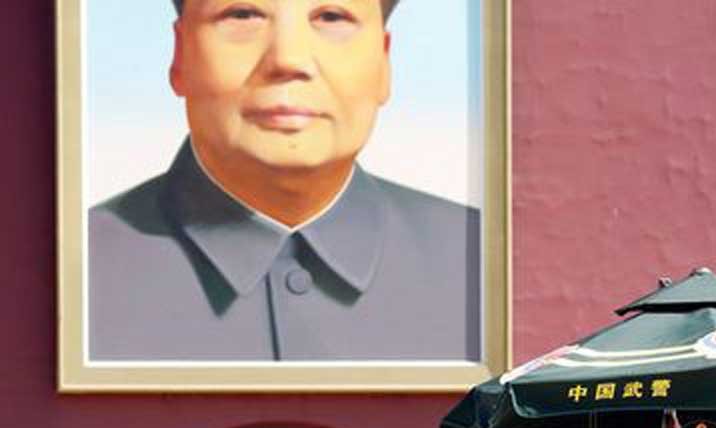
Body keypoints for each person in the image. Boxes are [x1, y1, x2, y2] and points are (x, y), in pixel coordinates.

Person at [88, 0, 480, 361]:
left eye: (331, 17)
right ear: (179, 55)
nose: (288, 60)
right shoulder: (71, 275)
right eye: (243, 15)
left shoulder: (485, 267)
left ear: (384, 60)